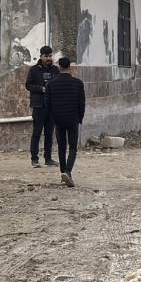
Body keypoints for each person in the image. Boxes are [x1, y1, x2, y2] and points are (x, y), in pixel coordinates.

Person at [45, 57, 85, 188]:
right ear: (70, 67)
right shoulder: (78, 83)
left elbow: (48, 104)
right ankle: (68, 171)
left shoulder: (51, 84)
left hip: (58, 118)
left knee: (62, 146)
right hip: (73, 118)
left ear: (58, 67)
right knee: (73, 146)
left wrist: (53, 117)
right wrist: (80, 117)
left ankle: (63, 172)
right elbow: (81, 103)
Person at [25, 45, 59, 168]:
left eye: (50, 56)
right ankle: (34, 159)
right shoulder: (34, 70)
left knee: (49, 133)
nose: (48, 58)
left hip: (51, 106)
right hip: (38, 105)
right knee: (37, 133)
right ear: (41, 56)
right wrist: (41, 89)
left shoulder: (55, 70)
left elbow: (59, 83)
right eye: (46, 56)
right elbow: (28, 85)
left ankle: (48, 158)